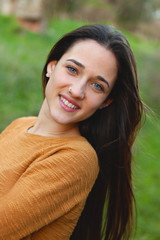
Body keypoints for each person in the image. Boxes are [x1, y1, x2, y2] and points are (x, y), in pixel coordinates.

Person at [0, 24, 144, 240]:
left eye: (97, 86)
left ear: (106, 101)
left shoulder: (76, 159)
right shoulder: (19, 125)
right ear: (52, 67)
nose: (76, 91)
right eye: (73, 70)